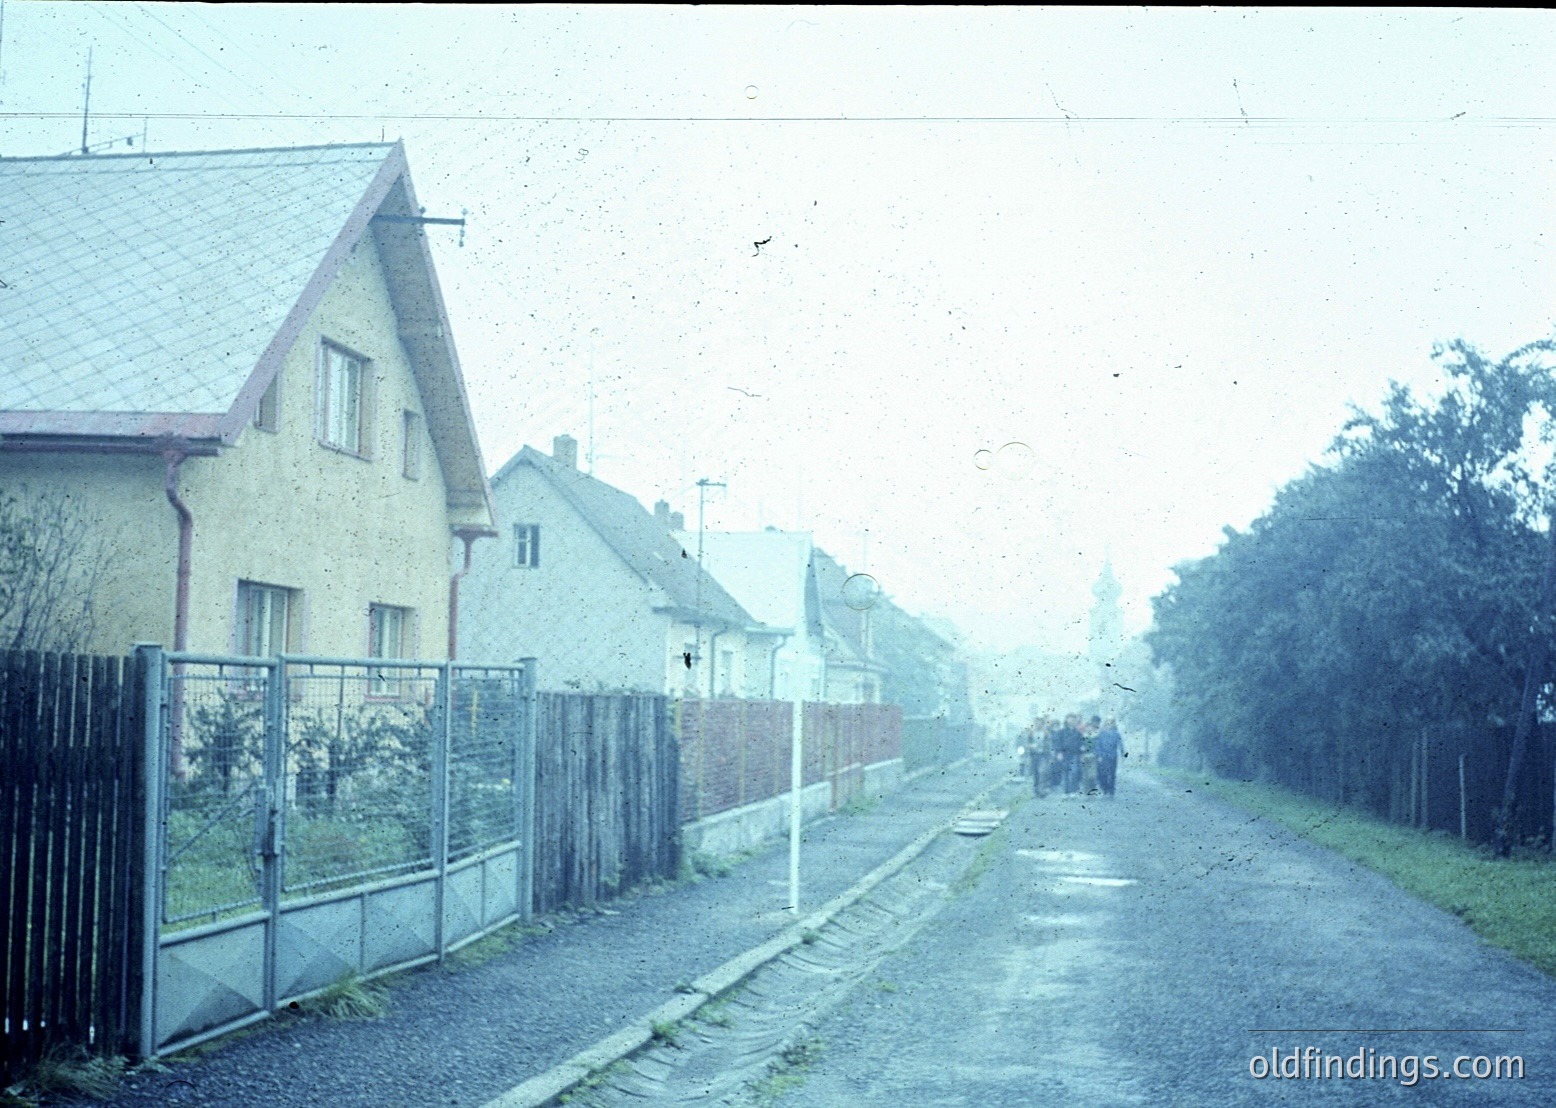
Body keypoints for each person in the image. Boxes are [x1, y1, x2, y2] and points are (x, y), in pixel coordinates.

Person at [1093, 716, 1126, 796]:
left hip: (1112, 756)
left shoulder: (1116, 734)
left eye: (1111, 722)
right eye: (1108, 722)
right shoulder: (1101, 733)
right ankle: (1104, 788)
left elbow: (1120, 744)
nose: (1109, 724)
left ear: (1113, 724)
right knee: (1102, 773)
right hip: (1103, 756)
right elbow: (1098, 745)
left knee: (1112, 773)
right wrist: (1099, 755)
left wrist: (1122, 754)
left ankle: (1111, 790)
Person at [1053, 713, 1085, 795]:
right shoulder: (1061, 732)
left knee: (1074, 772)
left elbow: (1081, 744)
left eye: (1073, 719)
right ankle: (1066, 792)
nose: (1072, 721)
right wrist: (1059, 753)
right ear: (1066, 720)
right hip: (1065, 754)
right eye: (1070, 719)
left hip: (1075, 754)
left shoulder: (1078, 733)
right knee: (1066, 773)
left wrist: (1081, 754)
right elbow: (1058, 743)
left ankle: (1073, 790)